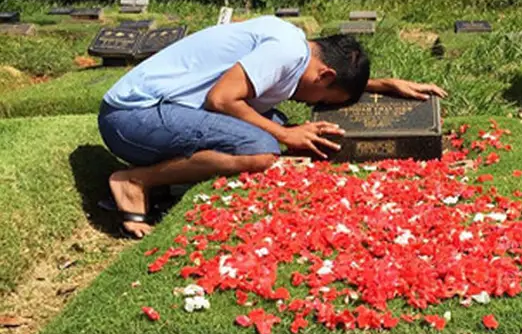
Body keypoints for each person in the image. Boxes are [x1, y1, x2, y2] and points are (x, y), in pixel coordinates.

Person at [98, 15, 446, 238]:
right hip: (133, 118)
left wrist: (383, 85)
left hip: (155, 111)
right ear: (325, 74)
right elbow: (222, 99)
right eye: (324, 99)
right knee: (261, 149)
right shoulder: (285, 51)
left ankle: (164, 178)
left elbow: (296, 85)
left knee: (273, 124)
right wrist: (284, 135)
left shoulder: (294, 44)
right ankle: (136, 181)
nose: (313, 105)